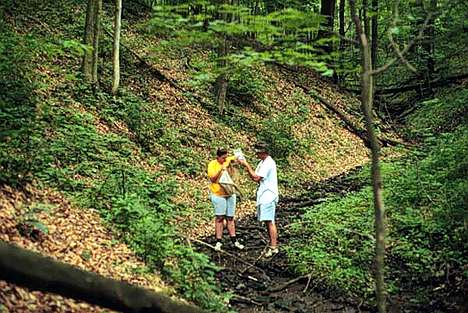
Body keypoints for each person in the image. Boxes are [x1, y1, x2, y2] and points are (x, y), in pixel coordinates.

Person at [239, 142, 279, 257]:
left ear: (263, 152)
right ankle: (272, 244)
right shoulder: (262, 163)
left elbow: (256, 178)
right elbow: (254, 176)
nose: (256, 154)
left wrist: (246, 165)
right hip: (264, 194)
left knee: (270, 221)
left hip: (268, 195)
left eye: (257, 152)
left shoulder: (268, 163)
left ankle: (273, 247)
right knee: (267, 221)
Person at [207, 148, 245, 251]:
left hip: (230, 193)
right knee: (220, 217)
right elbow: (213, 179)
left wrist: (239, 158)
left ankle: (234, 240)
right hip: (218, 194)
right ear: (218, 157)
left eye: (226, 157)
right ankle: (218, 241)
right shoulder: (212, 164)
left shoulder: (227, 160)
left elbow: (236, 158)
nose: (224, 159)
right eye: (223, 158)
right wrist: (221, 169)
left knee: (230, 218)